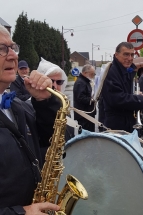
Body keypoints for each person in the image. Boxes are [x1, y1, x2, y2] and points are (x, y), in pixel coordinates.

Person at [0, 25, 60, 214]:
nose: (13, 56)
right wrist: (22, 212)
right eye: (2, 49)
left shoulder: (17, 105)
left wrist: (44, 101)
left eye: (13, 47)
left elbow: (51, 141)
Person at [101, 42, 143, 133]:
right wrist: (139, 99)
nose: (129, 58)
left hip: (126, 122)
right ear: (116, 55)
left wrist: (136, 95)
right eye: (126, 54)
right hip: (116, 125)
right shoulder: (111, 72)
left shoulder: (126, 71)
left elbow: (125, 93)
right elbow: (117, 99)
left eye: (132, 55)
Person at [37, 57, 74, 162]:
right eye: (50, 81)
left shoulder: (63, 106)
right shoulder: (28, 107)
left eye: (59, 82)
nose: (54, 86)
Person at [73, 64, 96, 133]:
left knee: (90, 136)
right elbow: (80, 98)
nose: (93, 76)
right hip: (84, 115)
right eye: (92, 74)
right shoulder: (81, 82)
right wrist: (92, 100)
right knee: (85, 137)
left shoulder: (85, 81)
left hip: (88, 114)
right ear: (85, 73)